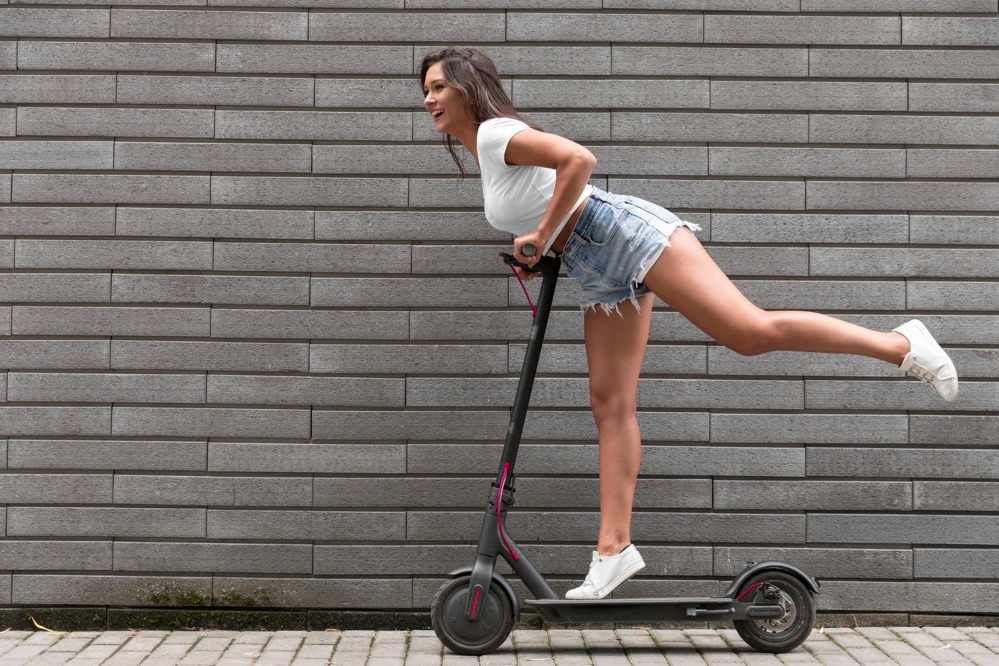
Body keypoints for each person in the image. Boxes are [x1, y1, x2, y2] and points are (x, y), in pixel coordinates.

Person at [418, 47, 959, 601]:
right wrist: (539, 248)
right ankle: (613, 550)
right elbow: (544, 207)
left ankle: (900, 343)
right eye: (426, 90)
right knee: (609, 403)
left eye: (439, 87)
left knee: (748, 332)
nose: (430, 99)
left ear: (468, 88)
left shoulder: (493, 134)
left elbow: (578, 161)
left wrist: (539, 235)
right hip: (594, 263)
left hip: (622, 234)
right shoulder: (487, 152)